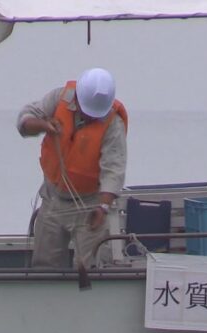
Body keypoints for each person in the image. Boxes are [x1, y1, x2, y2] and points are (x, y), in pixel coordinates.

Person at [17, 68, 128, 269]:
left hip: (90, 203)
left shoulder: (113, 124)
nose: (92, 117)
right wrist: (44, 125)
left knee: (88, 267)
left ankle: (86, 297)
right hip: (53, 199)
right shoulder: (58, 98)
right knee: (44, 265)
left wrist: (102, 208)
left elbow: (114, 169)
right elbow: (24, 121)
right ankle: (47, 298)